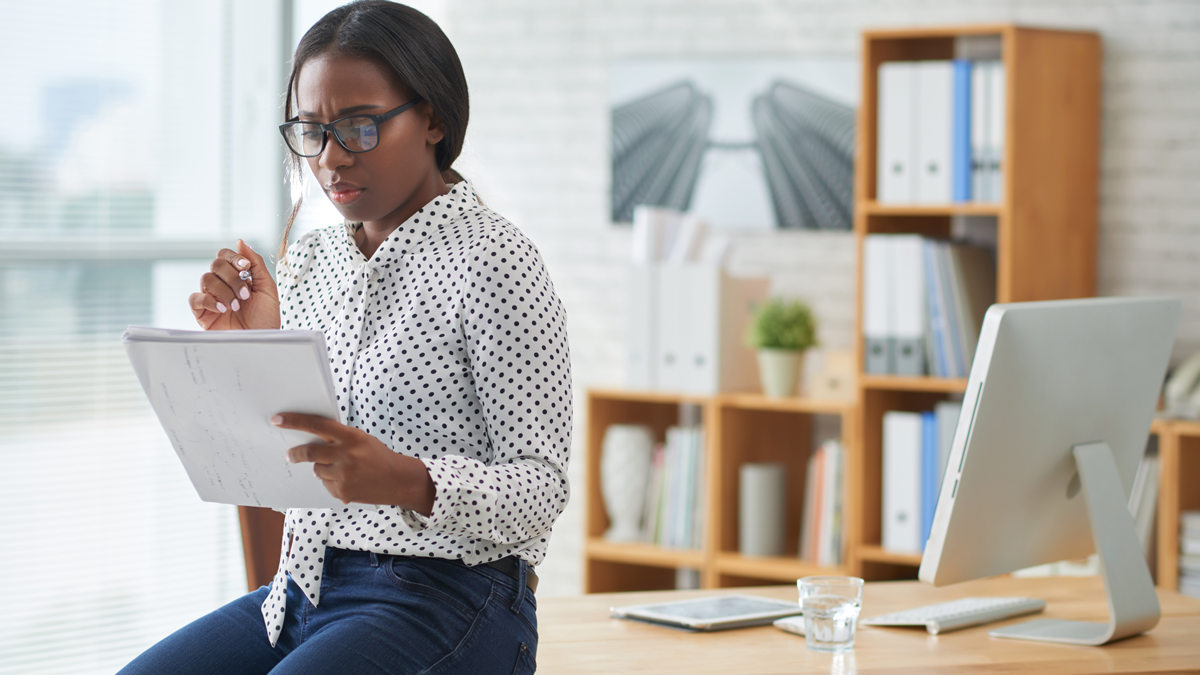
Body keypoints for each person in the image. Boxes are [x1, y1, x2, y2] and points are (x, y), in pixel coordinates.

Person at [118, 2, 571, 673]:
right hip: (301, 591)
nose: (330, 159)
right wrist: (255, 348)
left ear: (434, 120)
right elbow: (288, 471)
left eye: (359, 127)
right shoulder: (311, 260)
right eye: (310, 130)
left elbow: (541, 489)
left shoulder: (493, 259)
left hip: (450, 597)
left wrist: (408, 480)